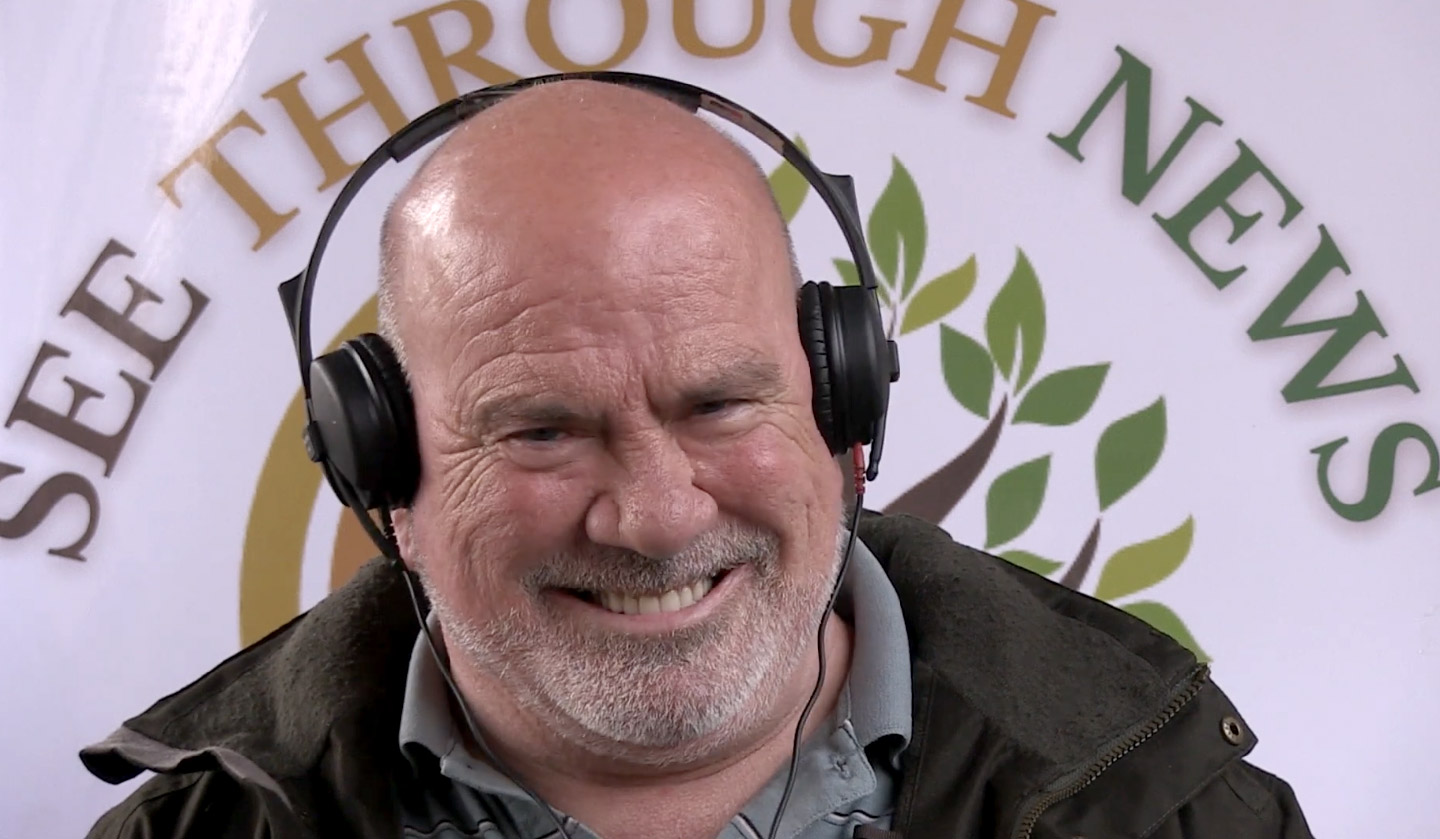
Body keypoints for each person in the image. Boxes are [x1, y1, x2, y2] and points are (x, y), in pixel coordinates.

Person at [79, 77, 1315, 839]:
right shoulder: (195, 831)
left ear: (841, 402)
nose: (658, 516)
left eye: (721, 404)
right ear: (379, 463)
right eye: (542, 428)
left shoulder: (1176, 814)